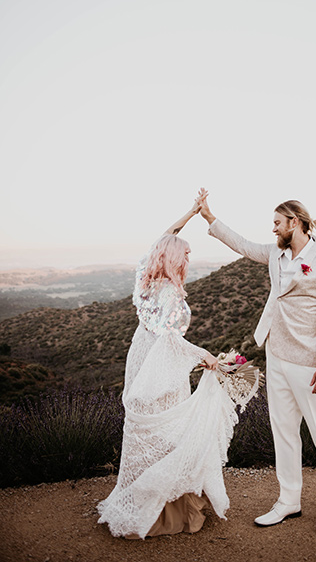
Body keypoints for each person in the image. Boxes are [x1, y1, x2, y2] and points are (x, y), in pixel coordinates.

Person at [198, 192, 316, 535]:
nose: (273, 229)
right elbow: (242, 244)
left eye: (277, 223)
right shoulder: (274, 254)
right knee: (283, 432)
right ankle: (288, 500)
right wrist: (210, 218)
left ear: (294, 223)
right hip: (276, 356)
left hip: (311, 363)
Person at [97, 197, 238, 539]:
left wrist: (191, 213)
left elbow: (163, 236)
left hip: (140, 355)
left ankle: (139, 496)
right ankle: (164, 512)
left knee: (148, 424)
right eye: (186, 254)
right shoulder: (171, 294)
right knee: (168, 429)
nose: (189, 259)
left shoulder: (144, 281)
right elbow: (170, 340)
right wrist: (205, 355)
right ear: (174, 258)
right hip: (161, 364)